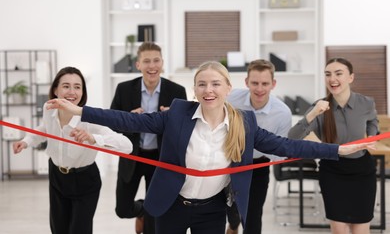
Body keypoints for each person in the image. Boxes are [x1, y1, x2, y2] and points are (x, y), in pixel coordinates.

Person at [46, 61, 375, 234]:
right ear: (195, 89)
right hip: (172, 205)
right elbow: (130, 121)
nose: (208, 89)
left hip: (212, 210)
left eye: (215, 83)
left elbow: (287, 145)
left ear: (228, 88)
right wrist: (80, 110)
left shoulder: (245, 123)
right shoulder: (177, 113)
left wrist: (336, 151)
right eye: (202, 84)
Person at [12, 67, 133, 234]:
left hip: (84, 181)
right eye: (66, 86)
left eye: (77, 87)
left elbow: (127, 146)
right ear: (55, 90)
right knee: (58, 230)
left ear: (83, 92)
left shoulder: (91, 119)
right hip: (57, 178)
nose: (72, 92)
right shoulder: (50, 108)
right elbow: (44, 129)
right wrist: (26, 141)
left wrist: (94, 139)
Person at [288, 58, 378, 234]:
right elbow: (292, 137)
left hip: (363, 171)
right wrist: (313, 113)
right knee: (339, 228)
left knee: (361, 228)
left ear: (351, 77)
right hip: (333, 171)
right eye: (328, 74)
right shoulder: (320, 107)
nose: (332, 79)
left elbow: (373, 119)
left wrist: (372, 135)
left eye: (338, 73)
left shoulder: (366, 103)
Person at [111, 42, 187, 234]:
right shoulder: (123, 89)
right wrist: (129, 118)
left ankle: (149, 213)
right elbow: (111, 124)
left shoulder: (177, 91)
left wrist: (174, 118)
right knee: (122, 209)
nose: (152, 66)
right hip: (133, 157)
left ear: (162, 63)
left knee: (155, 217)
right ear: (138, 65)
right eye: (146, 61)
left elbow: (185, 130)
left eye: (156, 61)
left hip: (160, 159)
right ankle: (141, 211)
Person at [225, 59, 292, 234]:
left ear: (273, 84)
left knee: (253, 216)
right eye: (254, 83)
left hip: (258, 166)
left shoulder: (282, 113)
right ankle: (233, 225)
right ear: (246, 82)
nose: (259, 89)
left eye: (265, 83)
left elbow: (279, 154)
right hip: (231, 161)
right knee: (229, 208)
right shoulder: (231, 99)